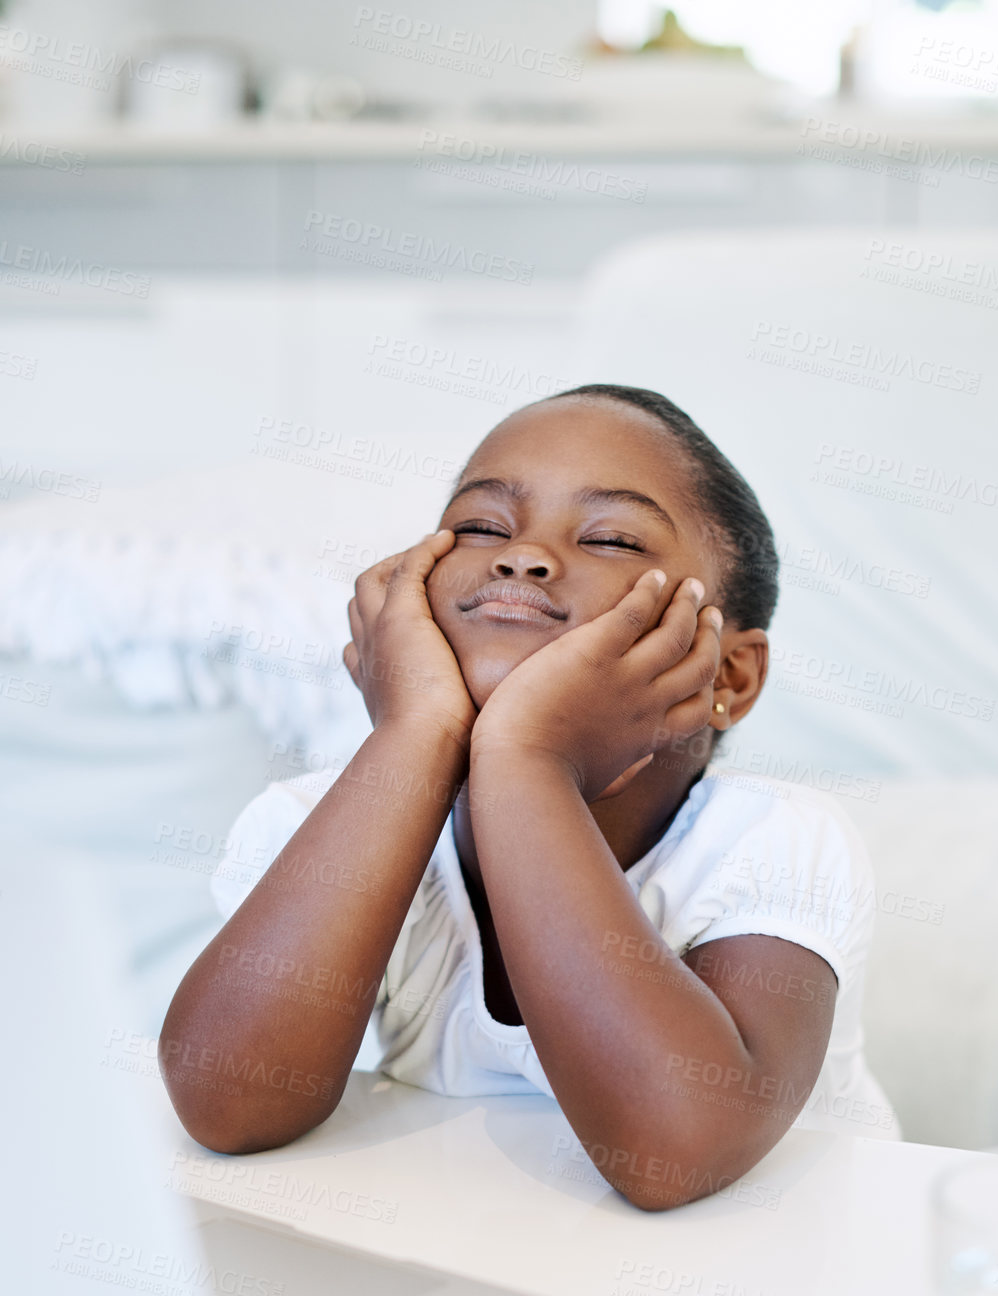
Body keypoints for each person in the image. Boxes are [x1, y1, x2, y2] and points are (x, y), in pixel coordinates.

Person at [160, 384, 899, 1209]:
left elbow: (673, 1155)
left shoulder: (775, 840)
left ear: (728, 672)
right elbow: (228, 1107)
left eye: (611, 538)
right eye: (480, 527)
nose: (524, 557)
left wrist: (525, 758)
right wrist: (412, 736)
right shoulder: (310, 823)